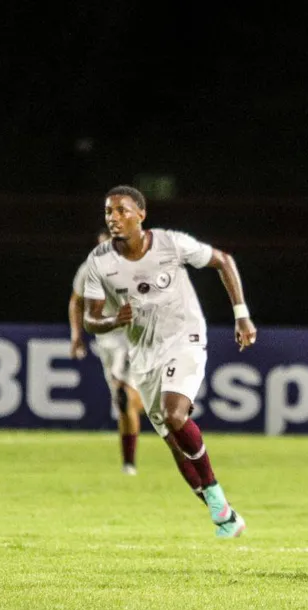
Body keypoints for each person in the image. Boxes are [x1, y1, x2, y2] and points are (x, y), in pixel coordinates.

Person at [81, 185, 256, 538]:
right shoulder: (99, 261)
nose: (114, 218)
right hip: (142, 355)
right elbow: (90, 319)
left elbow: (224, 260)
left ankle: (217, 495)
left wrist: (242, 316)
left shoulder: (170, 243)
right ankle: (223, 517)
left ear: (141, 214)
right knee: (174, 442)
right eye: (108, 212)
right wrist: (113, 321)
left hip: (184, 339)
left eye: (122, 211)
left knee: (175, 414)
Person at [70, 228, 144, 475]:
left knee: (124, 397)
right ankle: (129, 462)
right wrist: (76, 335)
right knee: (123, 403)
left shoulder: (139, 266)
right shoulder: (89, 268)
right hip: (107, 340)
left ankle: (129, 461)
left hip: (136, 337)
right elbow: (77, 301)